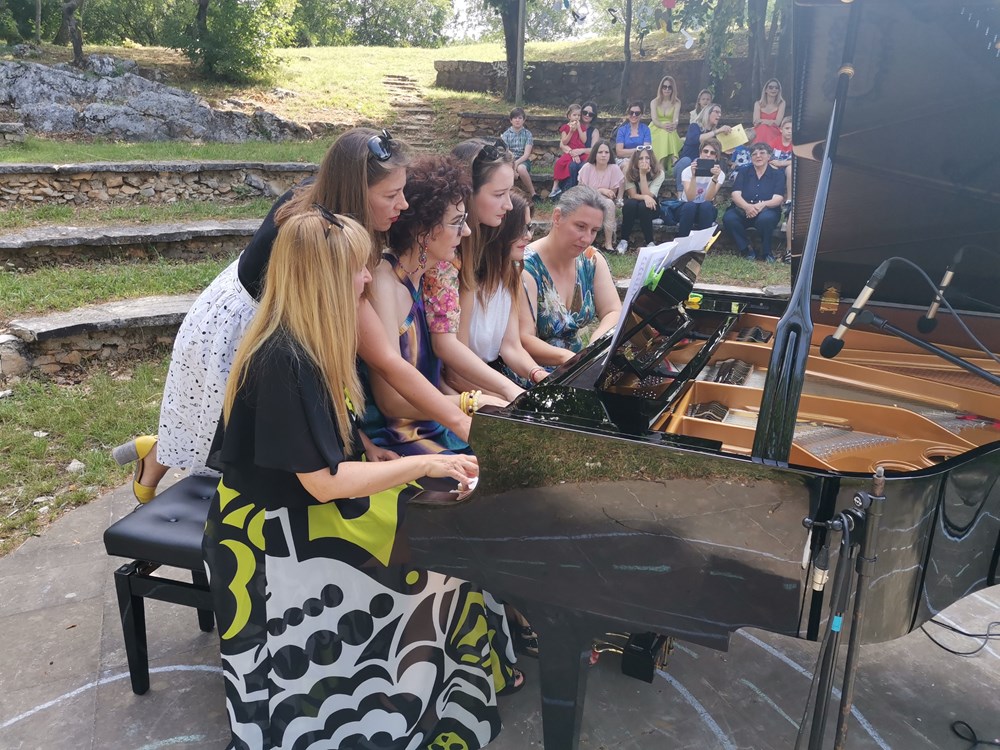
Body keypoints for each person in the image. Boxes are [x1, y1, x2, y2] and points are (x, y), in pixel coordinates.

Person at [203, 207, 516, 750]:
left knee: (461, 544)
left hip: (301, 511)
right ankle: (410, 707)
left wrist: (382, 456)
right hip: (271, 538)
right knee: (442, 565)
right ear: (323, 279)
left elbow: (324, 447)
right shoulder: (283, 359)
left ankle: (440, 695)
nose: (368, 277)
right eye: (356, 269)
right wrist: (423, 465)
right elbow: (323, 483)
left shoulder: (306, 340)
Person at [113, 129, 472, 502]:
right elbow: (385, 360)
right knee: (229, 442)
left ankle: (159, 451)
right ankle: (178, 477)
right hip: (241, 322)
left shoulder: (340, 232)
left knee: (246, 432)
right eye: (390, 195)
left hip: (280, 316)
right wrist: (461, 419)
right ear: (356, 192)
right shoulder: (319, 239)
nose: (404, 204)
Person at [367, 156, 482, 455]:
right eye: (457, 222)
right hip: (397, 439)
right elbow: (391, 401)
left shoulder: (433, 275)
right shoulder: (383, 282)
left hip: (436, 424)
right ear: (422, 230)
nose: (467, 232)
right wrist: (470, 402)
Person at [421, 139, 525, 403]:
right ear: (468, 193)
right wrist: (510, 394)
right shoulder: (445, 260)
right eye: (499, 194)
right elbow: (452, 364)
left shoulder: (480, 248)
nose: (508, 205)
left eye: (509, 193)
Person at [520, 186, 622, 365]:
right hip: (534, 370)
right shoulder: (527, 267)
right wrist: (575, 360)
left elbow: (613, 310)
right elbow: (524, 339)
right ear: (557, 217)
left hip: (579, 364)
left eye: (594, 230)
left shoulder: (591, 259)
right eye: (580, 227)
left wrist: (595, 344)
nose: (587, 238)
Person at [463, 192, 548, 388]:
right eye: (520, 228)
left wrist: (540, 375)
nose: (528, 236)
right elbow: (456, 369)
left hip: (494, 374)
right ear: (500, 230)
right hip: (467, 382)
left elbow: (511, 346)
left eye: (529, 227)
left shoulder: (511, 273)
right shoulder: (468, 282)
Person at [723, 142, 787, 262]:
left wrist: (760, 205)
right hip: (743, 209)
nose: (758, 156)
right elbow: (735, 194)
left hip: (767, 210)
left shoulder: (777, 174)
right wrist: (747, 207)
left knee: (766, 219)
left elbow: (778, 199)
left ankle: (766, 251)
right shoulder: (743, 171)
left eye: (762, 153)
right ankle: (746, 249)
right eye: (754, 154)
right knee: (729, 218)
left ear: (769, 156)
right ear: (751, 157)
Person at [577, 140, 625, 253]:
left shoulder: (614, 168)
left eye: (606, 152)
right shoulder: (587, 167)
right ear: (595, 154)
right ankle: (586, 242)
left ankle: (608, 244)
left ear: (610, 154)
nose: (603, 155)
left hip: (605, 201)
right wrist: (601, 190)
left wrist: (600, 192)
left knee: (609, 204)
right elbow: (582, 192)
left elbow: (611, 194)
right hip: (587, 200)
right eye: (600, 152)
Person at [673, 103, 731, 192]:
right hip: (686, 166)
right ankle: (681, 194)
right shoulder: (694, 126)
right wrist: (718, 131)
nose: (719, 115)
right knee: (685, 161)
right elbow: (698, 139)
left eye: (720, 113)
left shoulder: (716, 133)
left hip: (703, 166)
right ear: (707, 113)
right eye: (716, 112)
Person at [677, 138, 725, 237]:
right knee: (690, 206)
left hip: (705, 210)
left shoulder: (720, 174)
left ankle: (703, 242)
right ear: (700, 153)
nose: (708, 155)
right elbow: (690, 198)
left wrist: (715, 178)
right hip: (687, 208)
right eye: (705, 151)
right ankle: (682, 241)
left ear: (716, 156)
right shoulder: (687, 171)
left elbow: (708, 198)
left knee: (706, 205)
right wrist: (694, 176)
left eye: (712, 153)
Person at [620, 147, 664, 250]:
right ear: (636, 160)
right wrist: (645, 197)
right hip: (634, 206)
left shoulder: (659, 173)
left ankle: (650, 242)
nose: (644, 161)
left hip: (651, 207)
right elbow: (633, 195)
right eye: (640, 158)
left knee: (644, 206)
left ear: (651, 159)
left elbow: (649, 196)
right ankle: (623, 240)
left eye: (647, 158)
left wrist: (643, 175)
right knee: (630, 204)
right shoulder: (628, 171)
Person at [551, 103, 589, 199]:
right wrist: (571, 131)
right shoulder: (565, 127)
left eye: (579, 115)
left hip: (581, 152)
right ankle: (555, 186)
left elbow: (584, 140)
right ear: (569, 116)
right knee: (559, 163)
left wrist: (579, 128)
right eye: (574, 115)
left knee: (587, 162)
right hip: (570, 151)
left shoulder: (582, 127)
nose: (577, 117)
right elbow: (564, 142)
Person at [500, 106, 538, 202]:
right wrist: (512, 167)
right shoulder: (506, 135)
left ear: (524, 120)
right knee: (506, 170)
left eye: (520, 118)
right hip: (509, 159)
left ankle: (533, 194)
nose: (517, 120)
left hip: (523, 160)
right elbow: (506, 152)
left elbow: (526, 154)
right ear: (511, 120)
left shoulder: (528, 134)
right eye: (515, 118)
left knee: (521, 169)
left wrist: (515, 165)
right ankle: (507, 195)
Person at [649, 75, 682, 170]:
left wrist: (674, 124)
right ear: (661, 88)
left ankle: (661, 164)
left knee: (668, 132)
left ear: (673, 89)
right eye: (664, 87)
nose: (667, 89)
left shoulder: (677, 102)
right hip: (656, 128)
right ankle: (674, 159)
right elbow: (654, 119)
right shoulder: (654, 102)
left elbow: (676, 119)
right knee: (666, 132)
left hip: (670, 127)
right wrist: (663, 126)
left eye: (669, 87)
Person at [614, 100, 653, 168]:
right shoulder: (622, 130)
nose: (634, 115)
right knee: (627, 166)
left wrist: (628, 152)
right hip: (624, 160)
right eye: (631, 112)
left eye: (637, 113)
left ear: (641, 115)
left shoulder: (646, 129)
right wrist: (638, 150)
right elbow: (619, 152)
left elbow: (646, 150)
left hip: (641, 159)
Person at [753, 78, 786, 149]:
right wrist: (770, 122)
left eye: (776, 88)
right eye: (771, 87)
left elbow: (777, 122)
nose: (774, 89)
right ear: (765, 90)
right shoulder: (758, 104)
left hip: (774, 131)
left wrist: (762, 121)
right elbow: (755, 122)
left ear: (779, 90)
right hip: (759, 130)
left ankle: (764, 149)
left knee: (764, 127)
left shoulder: (781, 103)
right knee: (763, 128)